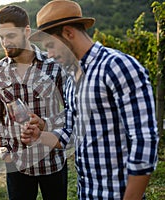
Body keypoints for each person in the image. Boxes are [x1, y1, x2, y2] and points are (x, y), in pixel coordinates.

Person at [25, 0, 159, 199]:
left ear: (69, 33)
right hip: (87, 193)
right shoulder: (71, 79)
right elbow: (71, 135)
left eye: (51, 46)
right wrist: (39, 136)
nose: (50, 55)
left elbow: (144, 141)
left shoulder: (117, 66)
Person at [0, 5, 71, 200]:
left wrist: (45, 124)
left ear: (26, 31)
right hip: (17, 166)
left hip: (52, 160)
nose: (5, 42)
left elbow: (71, 112)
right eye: (1, 37)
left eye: (10, 36)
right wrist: (4, 150)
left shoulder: (54, 66)